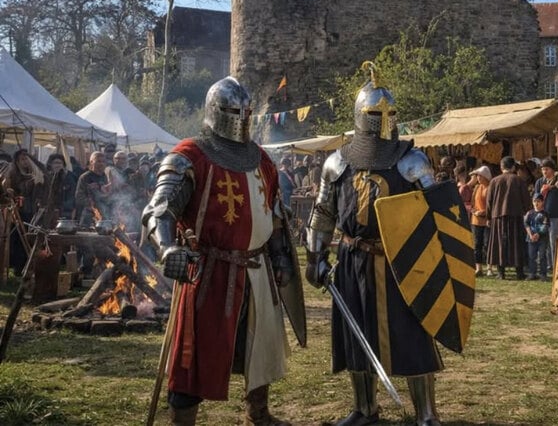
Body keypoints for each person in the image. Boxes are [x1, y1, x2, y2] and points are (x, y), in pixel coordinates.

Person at [141, 76, 299, 426]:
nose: (240, 118)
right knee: (195, 355)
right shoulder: (189, 155)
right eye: (232, 111)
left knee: (259, 348)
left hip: (257, 271)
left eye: (246, 112)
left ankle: (258, 413)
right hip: (210, 275)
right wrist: (167, 249)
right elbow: (158, 210)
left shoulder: (261, 159)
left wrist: (281, 256)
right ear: (215, 111)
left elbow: (273, 214)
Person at [305, 64, 445, 426]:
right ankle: (364, 407)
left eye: (389, 113)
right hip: (352, 259)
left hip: (402, 263)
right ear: (359, 115)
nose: (383, 119)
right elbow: (323, 214)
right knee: (356, 333)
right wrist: (315, 256)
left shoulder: (411, 160)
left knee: (412, 334)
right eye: (374, 113)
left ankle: (426, 413)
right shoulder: (337, 163)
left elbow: (439, 213)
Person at [485, 156, 531, 280]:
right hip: (516, 216)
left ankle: (501, 273)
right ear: (513, 167)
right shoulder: (519, 180)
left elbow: (489, 201)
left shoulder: (494, 181)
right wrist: (527, 211)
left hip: (498, 216)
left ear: (501, 167)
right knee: (517, 244)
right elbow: (526, 200)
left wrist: (488, 217)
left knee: (500, 243)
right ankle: (519, 272)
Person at [1, 149, 43, 274]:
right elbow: (8, 191)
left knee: (32, 238)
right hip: (18, 210)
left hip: (34, 210)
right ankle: (19, 267)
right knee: (19, 239)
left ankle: (30, 266)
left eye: (27, 158)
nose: (25, 161)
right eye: (23, 159)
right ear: (18, 161)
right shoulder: (13, 174)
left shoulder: (37, 173)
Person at [534, 158, 558, 277]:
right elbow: (535, 198)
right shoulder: (540, 182)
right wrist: (541, 193)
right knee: (543, 241)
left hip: (555, 215)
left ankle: (555, 264)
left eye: (546, 169)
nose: (544, 172)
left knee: (553, 241)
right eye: (543, 169)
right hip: (542, 216)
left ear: (552, 170)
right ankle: (546, 265)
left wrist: (557, 188)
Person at [74, 151, 110, 226]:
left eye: (103, 161)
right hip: (88, 215)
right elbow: (79, 197)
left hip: (104, 214)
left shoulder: (106, 177)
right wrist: (91, 205)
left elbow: (108, 195)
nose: (101, 164)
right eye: (98, 161)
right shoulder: (85, 177)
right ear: (91, 162)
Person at [469, 165, 492, 277]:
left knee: (488, 244)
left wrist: (484, 212)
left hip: (487, 220)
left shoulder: (491, 188)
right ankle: (478, 267)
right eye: (477, 176)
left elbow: (493, 204)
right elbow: (472, 203)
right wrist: (474, 211)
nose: (478, 178)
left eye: (479, 176)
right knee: (477, 244)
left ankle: (489, 267)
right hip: (476, 220)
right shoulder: (477, 188)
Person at [42, 153, 76, 228]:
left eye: (60, 163)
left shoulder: (69, 177)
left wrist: (67, 210)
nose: (58, 165)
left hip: (65, 213)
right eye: (55, 163)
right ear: (50, 164)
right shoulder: (46, 177)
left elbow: (72, 195)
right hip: (49, 212)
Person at [524, 193, 550, 281]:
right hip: (531, 238)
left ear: (542, 202)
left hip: (542, 238)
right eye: (535, 201)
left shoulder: (545, 214)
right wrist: (531, 235)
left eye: (538, 201)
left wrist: (538, 234)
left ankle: (543, 274)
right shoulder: (529, 213)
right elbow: (526, 224)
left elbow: (545, 226)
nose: (536, 203)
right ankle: (532, 273)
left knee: (542, 255)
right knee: (532, 256)